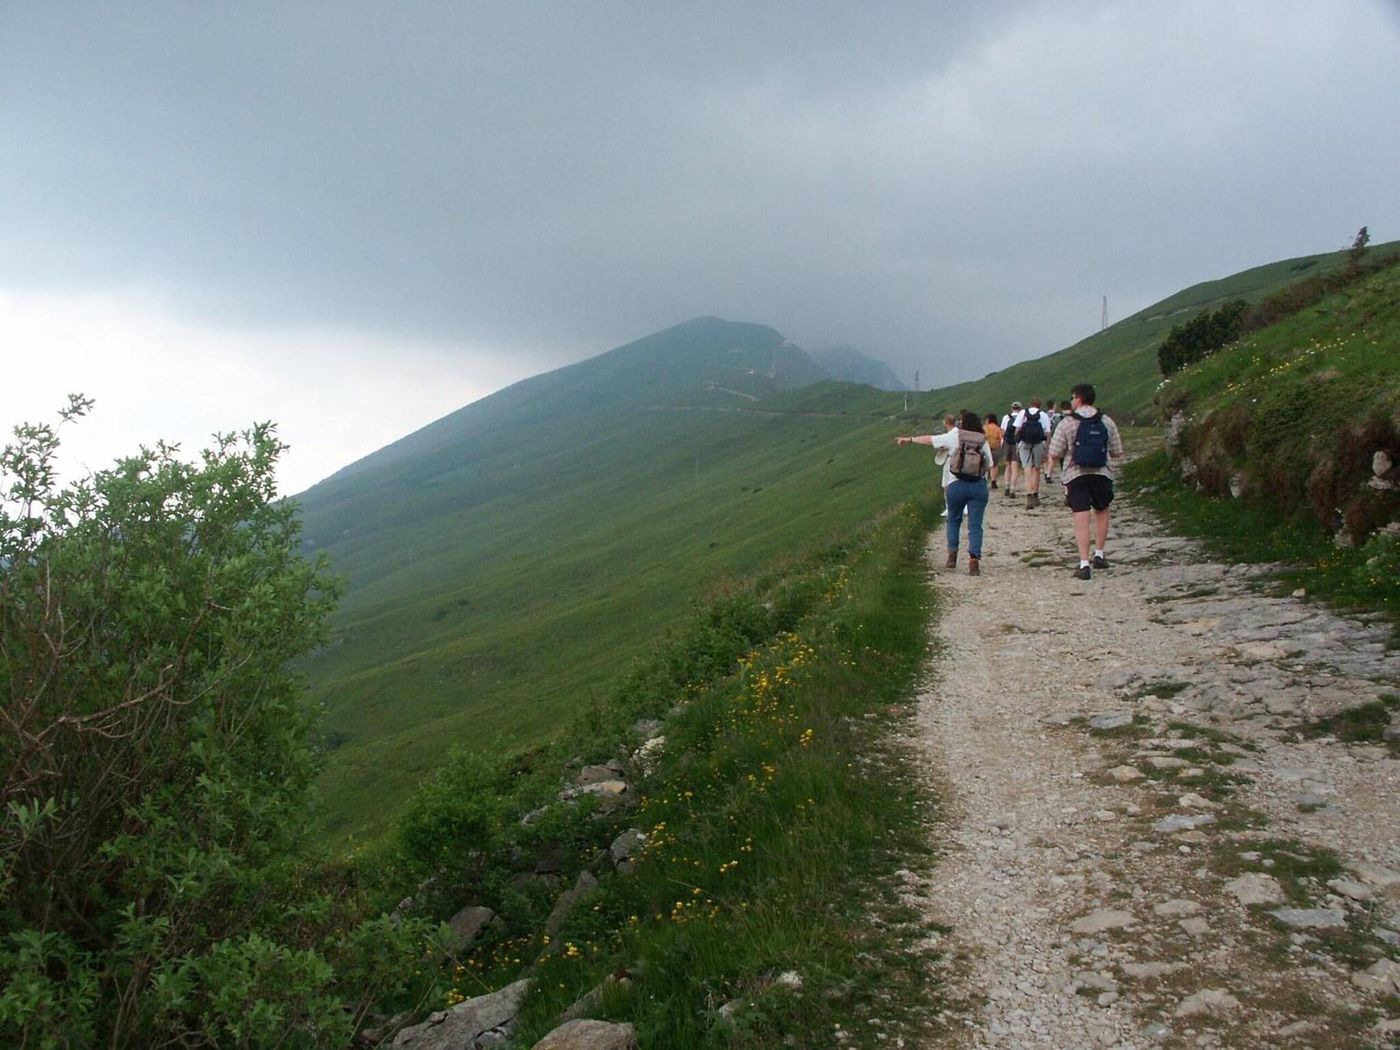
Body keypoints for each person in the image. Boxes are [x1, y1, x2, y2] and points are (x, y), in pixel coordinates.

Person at [1046, 382, 1125, 580]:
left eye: (1073, 397)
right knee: (1102, 510)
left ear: (1079, 399)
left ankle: (1083, 563)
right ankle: (1099, 554)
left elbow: (1054, 452)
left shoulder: (1067, 422)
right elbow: (1117, 451)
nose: (1072, 401)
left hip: (1076, 474)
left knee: (1081, 517)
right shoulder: (1106, 421)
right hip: (1102, 473)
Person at [896, 410, 989, 576]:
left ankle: (952, 556)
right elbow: (990, 463)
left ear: (962, 423)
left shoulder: (954, 436)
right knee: (975, 525)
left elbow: (930, 439)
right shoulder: (982, 440)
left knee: (953, 520)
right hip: (977, 486)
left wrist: (908, 439)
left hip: (956, 485)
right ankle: (974, 560)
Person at [1015, 397, 1050, 510]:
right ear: (1040, 405)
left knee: (1027, 468)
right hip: (1038, 443)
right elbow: (1047, 433)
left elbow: (1017, 430)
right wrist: (1047, 448)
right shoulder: (1043, 415)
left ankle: (1028, 495)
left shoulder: (1022, 413)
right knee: (1037, 468)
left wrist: (1018, 443)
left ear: (1031, 404)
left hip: (1024, 443)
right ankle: (1035, 494)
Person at [1000, 401, 1022, 498]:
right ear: (1020, 408)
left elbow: (1003, 431)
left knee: (1007, 466)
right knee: (1015, 468)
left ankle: (1007, 487)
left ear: (1012, 408)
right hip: (1017, 443)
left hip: (1007, 443)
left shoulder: (1006, 417)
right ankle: (1013, 489)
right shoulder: (1022, 417)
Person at [984, 413, 1004, 489]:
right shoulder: (997, 428)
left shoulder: (984, 428)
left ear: (988, 420)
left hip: (986, 448)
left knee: (985, 466)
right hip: (995, 448)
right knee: (994, 465)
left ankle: (985, 481)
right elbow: (1001, 438)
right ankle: (993, 481)